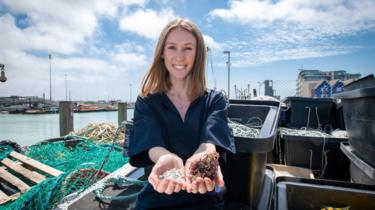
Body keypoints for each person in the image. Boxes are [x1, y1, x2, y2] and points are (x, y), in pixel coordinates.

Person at [128, 18, 235, 210]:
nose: (179, 56)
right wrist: (165, 157)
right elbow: (150, 142)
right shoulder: (147, 101)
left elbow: (211, 139)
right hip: (157, 199)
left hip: (205, 198)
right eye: (172, 47)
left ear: (197, 54)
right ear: (162, 52)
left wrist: (205, 157)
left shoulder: (215, 100)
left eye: (187, 48)